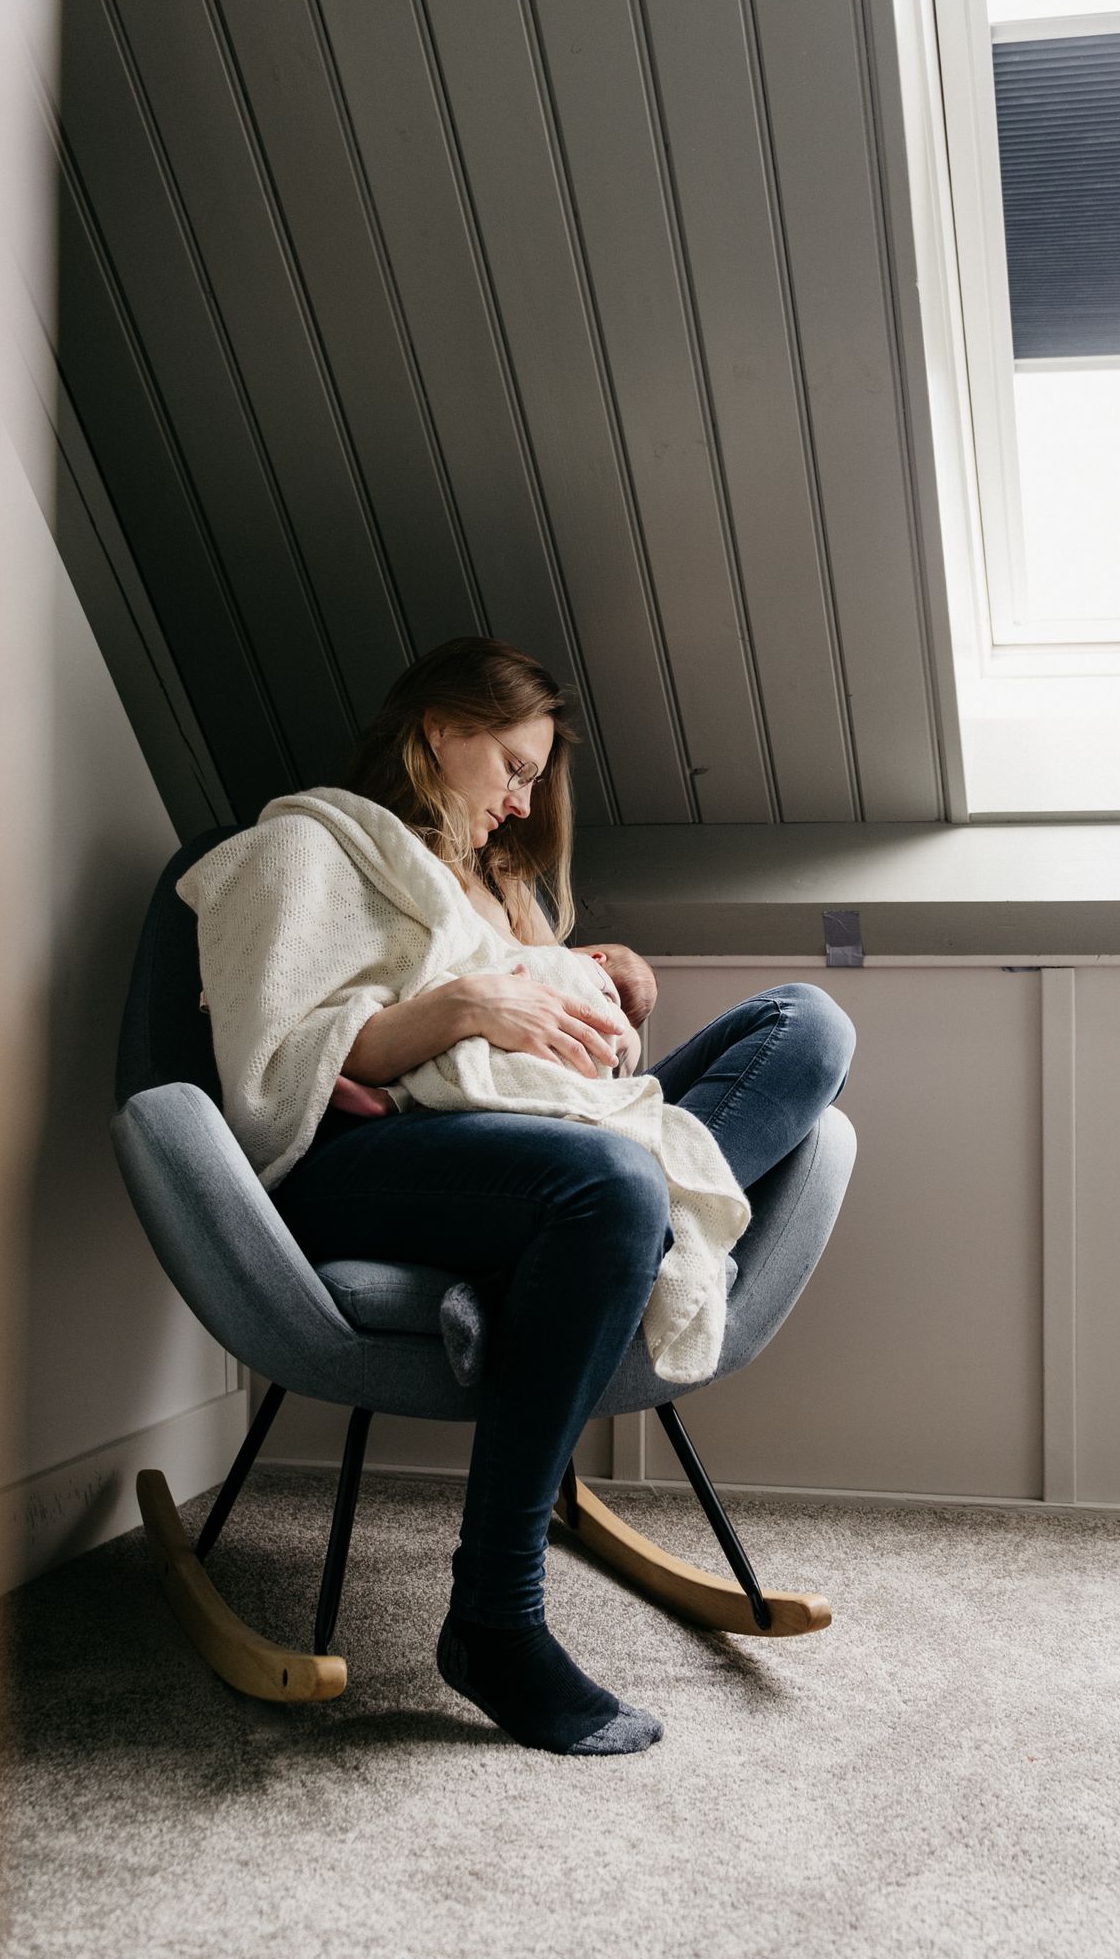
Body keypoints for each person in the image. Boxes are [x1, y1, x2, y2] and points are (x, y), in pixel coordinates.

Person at [196, 639, 854, 1759]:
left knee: (808, 1026)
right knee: (608, 1180)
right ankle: (497, 1617)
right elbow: (275, 1070)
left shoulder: (502, 886)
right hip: (376, 1161)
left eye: (536, 777)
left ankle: (604, 1235)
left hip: (540, 1147)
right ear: (439, 728)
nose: (523, 796)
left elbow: (561, 1066)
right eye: (510, 763)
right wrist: (469, 1005)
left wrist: (593, 982)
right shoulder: (308, 844)